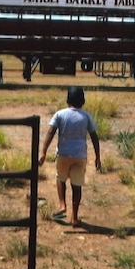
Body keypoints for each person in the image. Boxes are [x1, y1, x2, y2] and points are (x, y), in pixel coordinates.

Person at [38, 86, 101, 227]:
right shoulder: (86, 116)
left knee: (60, 178)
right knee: (77, 185)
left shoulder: (60, 114)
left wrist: (43, 151)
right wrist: (98, 156)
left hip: (63, 154)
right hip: (80, 156)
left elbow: (50, 132)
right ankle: (74, 217)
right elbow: (94, 137)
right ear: (83, 101)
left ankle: (62, 205)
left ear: (67, 100)